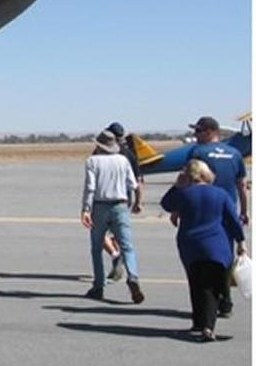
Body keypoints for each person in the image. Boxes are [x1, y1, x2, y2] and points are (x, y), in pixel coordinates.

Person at [160, 159, 247, 342]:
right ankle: (208, 326)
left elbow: (166, 204)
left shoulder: (183, 194)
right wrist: (240, 241)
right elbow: (232, 220)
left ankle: (198, 321)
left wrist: (177, 185)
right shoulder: (221, 194)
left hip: (189, 244)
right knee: (211, 287)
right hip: (216, 245)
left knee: (196, 283)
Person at [182, 115, 249, 318]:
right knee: (224, 258)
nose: (195, 135)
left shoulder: (198, 152)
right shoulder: (235, 153)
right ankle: (225, 299)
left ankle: (207, 304)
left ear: (211, 131)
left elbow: (187, 180)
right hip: (227, 211)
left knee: (199, 261)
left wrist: (178, 210)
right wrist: (244, 211)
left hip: (202, 211)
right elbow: (242, 185)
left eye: (199, 131)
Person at [81, 129, 145, 303]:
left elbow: (90, 187)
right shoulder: (123, 160)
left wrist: (86, 209)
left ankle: (99, 286)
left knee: (96, 248)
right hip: (120, 204)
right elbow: (132, 183)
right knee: (127, 246)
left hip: (100, 206)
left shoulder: (92, 161)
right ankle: (133, 276)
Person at [104, 121, 143, 281]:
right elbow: (138, 181)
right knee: (118, 233)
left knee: (99, 233)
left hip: (105, 198)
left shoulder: (101, 153)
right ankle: (129, 271)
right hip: (125, 199)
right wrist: (139, 201)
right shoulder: (129, 154)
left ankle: (115, 255)